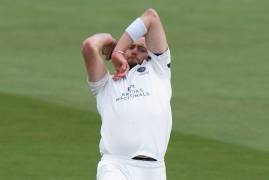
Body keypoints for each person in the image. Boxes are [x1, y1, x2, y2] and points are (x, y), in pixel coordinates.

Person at [81, 8, 172, 180]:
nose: (134, 51)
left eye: (141, 49)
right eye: (130, 47)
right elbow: (89, 46)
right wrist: (109, 41)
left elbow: (151, 16)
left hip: (154, 169)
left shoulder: (158, 70)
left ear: (150, 55)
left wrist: (118, 50)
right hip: (115, 165)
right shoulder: (105, 84)